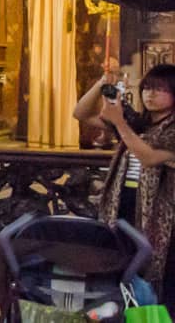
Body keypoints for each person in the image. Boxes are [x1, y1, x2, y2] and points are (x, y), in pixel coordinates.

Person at [75, 58, 175, 298]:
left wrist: (119, 122)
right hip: (124, 201)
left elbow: (148, 157)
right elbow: (81, 113)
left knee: (157, 270)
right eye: (148, 88)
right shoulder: (138, 124)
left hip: (160, 212)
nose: (151, 95)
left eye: (161, 89)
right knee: (120, 264)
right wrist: (102, 84)